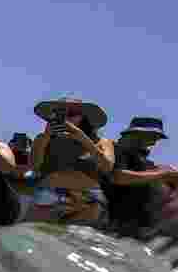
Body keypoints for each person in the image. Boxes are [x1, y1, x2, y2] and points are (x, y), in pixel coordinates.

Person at [26, 96, 115, 225]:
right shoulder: (43, 138)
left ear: (83, 117)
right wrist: (46, 137)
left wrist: (83, 138)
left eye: (72, 114)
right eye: (60, 114)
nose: (66, 118)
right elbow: (34, 166)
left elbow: (107, 167)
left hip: (89, 200)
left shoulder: (102, 142)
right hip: (49, 195)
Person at [99, 117, 178, 239]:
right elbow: (118, 177)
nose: (155, 142)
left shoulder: (146, 163)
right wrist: (163, 175)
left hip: (144, 232)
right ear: (137, 133)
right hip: (119, 226)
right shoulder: (116, 150)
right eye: (153, 136)